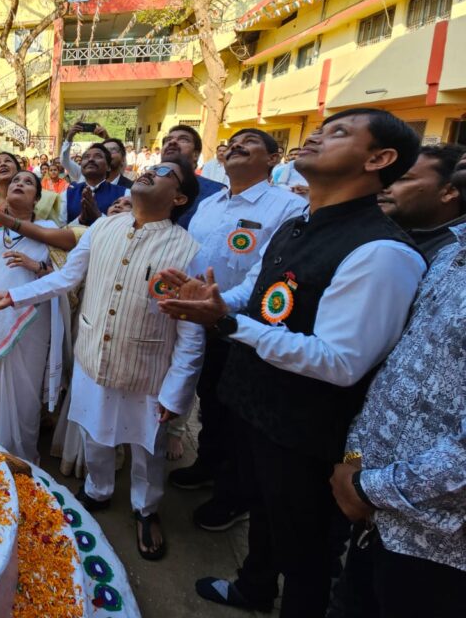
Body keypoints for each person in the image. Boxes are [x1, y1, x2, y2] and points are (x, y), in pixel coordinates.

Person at [158, 109, 426, 617]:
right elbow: (255, 291)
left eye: (339, 132)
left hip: (307, 431)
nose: (318, 136)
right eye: (322, 129)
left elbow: (341, 361)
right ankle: (253, 587)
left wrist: (228, 324)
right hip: (255, 405)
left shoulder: (382, 252)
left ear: (379, 159)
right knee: (263, 513)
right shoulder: (296, 224)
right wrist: (213, 300)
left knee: (307, 551)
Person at [0, 158, 204, 561]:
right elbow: (68, 277)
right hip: (94, 356)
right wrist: (13, 296)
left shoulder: (189, 249)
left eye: (165, 173)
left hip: (148, 366)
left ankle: (146, 509)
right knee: (94, 431)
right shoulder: (103, 227)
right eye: (152, 166)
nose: (152, 171)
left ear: (179, 198)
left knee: (148, 446)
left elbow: (192, 331)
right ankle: (99, 490)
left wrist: (178, 392)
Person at [328, 151, 466, 618]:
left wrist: (370, 487)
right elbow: (400, 373)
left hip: (439, 545)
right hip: (376, 514)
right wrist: (355, 465)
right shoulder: (450, 254)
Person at [168, 129, 307, 534]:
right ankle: (208, 466)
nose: (236, 146)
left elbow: (265, 276)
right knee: (209, 403)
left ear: (273, 158)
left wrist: (218, 307)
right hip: (199, 321)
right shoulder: (210, 203)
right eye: (232, 143)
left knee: (236, 418)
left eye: (250, 142)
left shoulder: (287, 207)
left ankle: (234, 497)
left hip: (243, 328)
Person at [0, 152, 76, 463]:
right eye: (16, 180)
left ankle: (21, 458)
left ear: (37, 199)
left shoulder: (49, 227)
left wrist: (37, 266)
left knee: (24, 386)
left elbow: (66, 275)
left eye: (28, 182)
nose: (19, 183)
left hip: (32, 317)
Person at [377, 142, 466, 261]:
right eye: (386, 179)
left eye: (402, 179)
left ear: (449, 192)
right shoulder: (373, 236)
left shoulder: (457, 254)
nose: (382, 188)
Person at [160, 125, 226, 229]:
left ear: (195, 155)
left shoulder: (216, 193)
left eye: (183, 140)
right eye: (168, 139)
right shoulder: (141, 186)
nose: (172, 142)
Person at [58, 143, 129, 226]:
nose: (91, 159)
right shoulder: (67, 194)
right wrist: (80, 219)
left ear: (108, 167)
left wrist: (98, 215)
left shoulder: (125, 193)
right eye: (86, 157)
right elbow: (60, 228)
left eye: (98, 156)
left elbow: (126, 228)